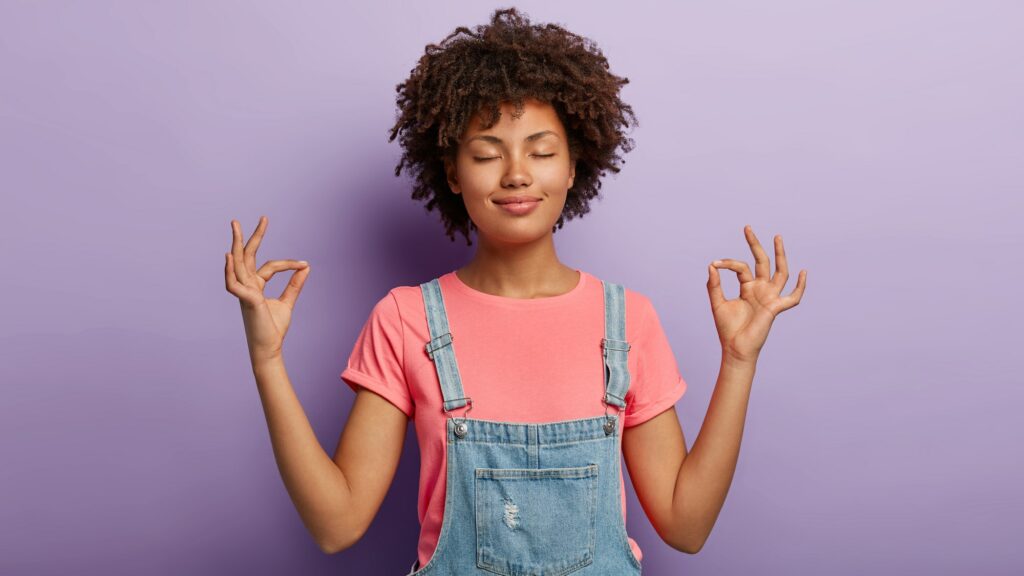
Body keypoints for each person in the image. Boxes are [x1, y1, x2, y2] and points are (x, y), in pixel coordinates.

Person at [224, 7, 807, 574]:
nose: (516, 174)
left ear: (575, 165)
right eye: (485, 154)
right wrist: (266, 359)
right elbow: (336, 525)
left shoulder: (628, 320)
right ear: (453, 173)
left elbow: (687, 526)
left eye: (542, 151)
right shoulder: (406, 319)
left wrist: (738, 360)